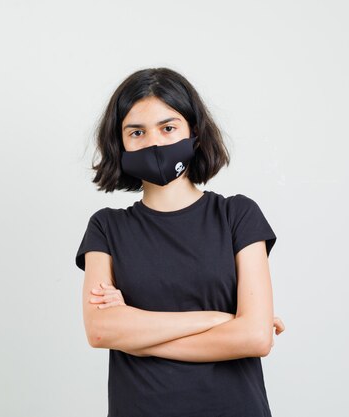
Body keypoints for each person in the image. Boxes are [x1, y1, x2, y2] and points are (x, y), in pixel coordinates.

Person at [74, 67, 286, 417]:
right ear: (120, 142)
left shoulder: (238, 216)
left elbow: (254, 337)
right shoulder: (106, 228)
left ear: (194, 133)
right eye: (137, 131)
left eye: (168, 127)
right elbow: (100, 331)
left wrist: (138, 336)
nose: (154, 142)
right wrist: (220, 319)